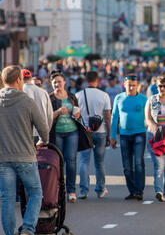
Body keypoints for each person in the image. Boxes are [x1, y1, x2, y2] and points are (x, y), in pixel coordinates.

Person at [0, 65, 49, 235]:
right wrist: (44, 140)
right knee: (36, 193)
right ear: (19, 80)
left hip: (3, 158)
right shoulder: (27, 102)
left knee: (7, 199)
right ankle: (28, 229)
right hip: (26, 156)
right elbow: (43, 127)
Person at [111, 74, 148, 201]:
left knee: (138, 163)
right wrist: (112, 136)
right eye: (129, 85)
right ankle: (132, 191)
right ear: (124, 85)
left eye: (133, 85)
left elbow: (149, 117)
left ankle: (139, 191)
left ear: (137, 85)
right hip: (124, 135)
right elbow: (114, 117)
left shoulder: (143, 99)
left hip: (139, 133)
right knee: (127, 167)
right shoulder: (119, 98)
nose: (131, 88)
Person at [75, 71, 111, 200]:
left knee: (84, 161)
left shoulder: (78, 95)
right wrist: (109, 134)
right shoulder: (104, 95)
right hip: (100, 132)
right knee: (99, 162)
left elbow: (75, 116)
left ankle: (84, 191)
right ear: (97, 81)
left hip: (85, 132)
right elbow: (107, 116)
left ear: (86, 81)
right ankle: (100, 189)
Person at [49, 70, 81, 203]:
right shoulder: (49, 98)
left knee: (71, 161)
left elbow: (77, 112)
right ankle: (58, 190)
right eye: (55, 82)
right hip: (56, 133)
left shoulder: (72, 97)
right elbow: (46, 117)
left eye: (59, 82)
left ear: (64, 83)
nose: (57, 84)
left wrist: (77, 114)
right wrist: (57, 112)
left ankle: (71, 191)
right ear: (52, 84)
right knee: (58, 162)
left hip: (71, 131)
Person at [22, 69, 53, 144]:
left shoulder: (19, 91)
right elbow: (50, 116)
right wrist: (45, 134)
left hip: (25, 134)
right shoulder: (43, 92)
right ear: (30, 78)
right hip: (41, 134)